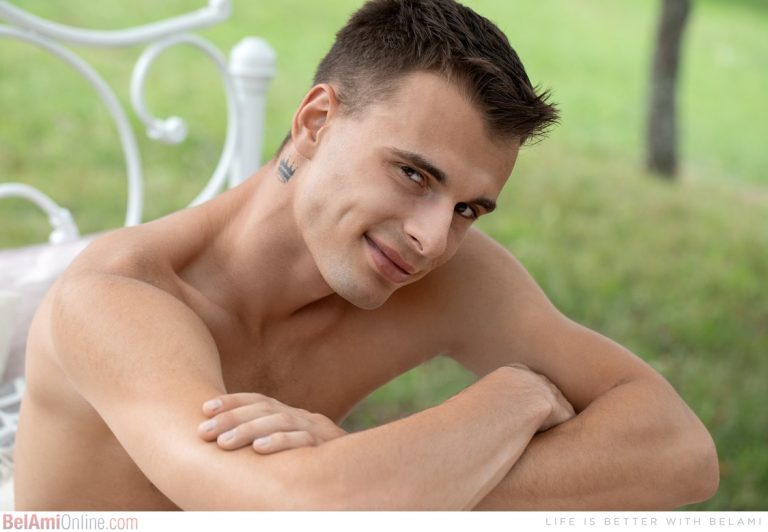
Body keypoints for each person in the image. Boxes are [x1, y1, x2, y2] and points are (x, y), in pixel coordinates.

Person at [14, 0, 718, 510]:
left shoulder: (442, 276)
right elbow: (301, 512)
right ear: (316, 122)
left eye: (468, 209)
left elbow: (679, 450)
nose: (433, 239)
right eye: (414, 174)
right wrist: (515, 398)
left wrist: (396, 474)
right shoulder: (117, 301)